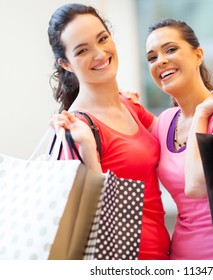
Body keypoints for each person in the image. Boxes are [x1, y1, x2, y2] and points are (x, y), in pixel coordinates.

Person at [47, 3, 170, 260]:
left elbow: (176, 138)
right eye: (82, 50)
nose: (100, 53)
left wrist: (209, 104)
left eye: (102, 39)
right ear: (66, 63)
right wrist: (87, 149)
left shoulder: (128, 104)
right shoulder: (74, 128)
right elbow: (85, 218)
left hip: (163, 252)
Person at [145, 18, 213, 259]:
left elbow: (196, 185)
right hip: (181, 255)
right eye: (152, 57)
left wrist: (202, 113)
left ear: (198, 55)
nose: (160, 60)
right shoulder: (164, 122)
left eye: (171, 49)